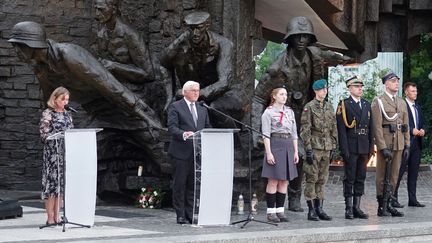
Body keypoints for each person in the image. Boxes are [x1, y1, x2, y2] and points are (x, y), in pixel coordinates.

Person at [252, 16, 352, 212]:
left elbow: (331, 56)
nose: (301, 40)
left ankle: (296, 197)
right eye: (297, 36)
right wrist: (257, 131)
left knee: (304, 155)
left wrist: (345, 59)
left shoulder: (314, 55)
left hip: (307, 114)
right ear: (289, 39)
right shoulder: (276, 68)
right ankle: (271, 198)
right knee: (283, 157)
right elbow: (257, 99)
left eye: (305, 36)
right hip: (283, 116)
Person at [161, 11, 246, 128]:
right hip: (194, 95)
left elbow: (224, 82)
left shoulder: (224, 44)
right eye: (191, 29)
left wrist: (196, 93)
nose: (195, 33)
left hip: (226, 95)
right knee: (173, 111)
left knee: (215, 108)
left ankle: (235, 145)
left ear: (207, 26)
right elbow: (164, 64)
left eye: (199, 28)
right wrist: (169, 98)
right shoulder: (182, 44)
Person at [93, 0, 172, 115]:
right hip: (114, 90)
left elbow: (148, 74)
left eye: (101, 9)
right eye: (96, 9)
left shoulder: (130, 35)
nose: (96, 13)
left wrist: (115, 66)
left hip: (136, 92)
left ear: (113, 9)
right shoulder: (101, 34)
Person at [167, 81, 212, 224]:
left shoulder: (202, 108)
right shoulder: (175, 107)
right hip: (181, 152)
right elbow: (172, 127)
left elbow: (207, 127)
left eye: (198, 90)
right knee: (180, 184)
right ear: (184, 92)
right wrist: (183, 134)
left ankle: (190, 213)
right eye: (193, 90)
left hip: (197, 153)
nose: (196, 93)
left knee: (193, 185)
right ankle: (180, 214)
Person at [371, 70, 410, 217]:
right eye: (393, 81)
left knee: (394, 176)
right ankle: (382, 205)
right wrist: (381, 146)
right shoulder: (378, 101)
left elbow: (406, 125)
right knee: (382, 175)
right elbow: (376, 127)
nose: (396, 83)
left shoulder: (401, 102)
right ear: (386, 83)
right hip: (386, 143)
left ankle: (390, 202)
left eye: (397, 81)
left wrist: (407, 144)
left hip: (399, 143)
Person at [300, 79, 337, 221]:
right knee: (312, 178)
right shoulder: (309, 107)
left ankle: (320, 208)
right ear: (316, 91)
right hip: (314, 147)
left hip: (326, 147)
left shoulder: (329, 106)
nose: (324, 91)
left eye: (326, 89)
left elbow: (333, 127)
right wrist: (308, 149)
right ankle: (311, 210)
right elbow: (305, 129)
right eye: (322, 89)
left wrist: (334, 146)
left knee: (322, 179)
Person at [336, 76, 373, 219]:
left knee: (361, 177)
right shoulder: (344, 105)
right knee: (350, 177)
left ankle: (357, 207)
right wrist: (344, 149)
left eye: (361, 87)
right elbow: (342, 130)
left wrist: (371, 147)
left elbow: (371, 127)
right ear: (350, 88)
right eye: (357, 87)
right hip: (351, 145)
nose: (360, 89)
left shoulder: (366, 104)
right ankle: (348, 208)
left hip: (364, 145)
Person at [261, 86, 299, 223]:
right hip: (275, 145)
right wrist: (269, 153)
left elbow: (294, 133)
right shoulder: (268, 113)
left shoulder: (290, 112)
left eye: (286, 94)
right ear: (274, 96)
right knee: (273, 180)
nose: (284, 96)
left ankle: (280, 211)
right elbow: (265, 134)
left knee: (284, 180)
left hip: (288, 145)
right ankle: (271, 212)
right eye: (281, 94)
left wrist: (295, 151)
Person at [39, 87, 74, 226]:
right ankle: (50, 217)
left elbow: (71, 131)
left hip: (64, 154)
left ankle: (58, 216)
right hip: (52, 155)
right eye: (63, 99)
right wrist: (55, 136)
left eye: (67, 99)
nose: (65, 102)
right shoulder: (48, 113)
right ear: (55, 99)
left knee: (60, 186)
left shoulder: (67, 114)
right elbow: (43, 134)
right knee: (51, 187)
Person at [392, 82, 426, 208]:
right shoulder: (402, 105)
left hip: (417, 144)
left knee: (413, 173)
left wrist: (423, 130)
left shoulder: (418, 107)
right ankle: (393, 198)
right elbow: (399, 122)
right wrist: (411, 130)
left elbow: (423, 123)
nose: (415, 93)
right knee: (399, 172)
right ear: (406, 92)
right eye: (412, 91)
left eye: (416, 91)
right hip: (405, 143)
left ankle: (412, 199)